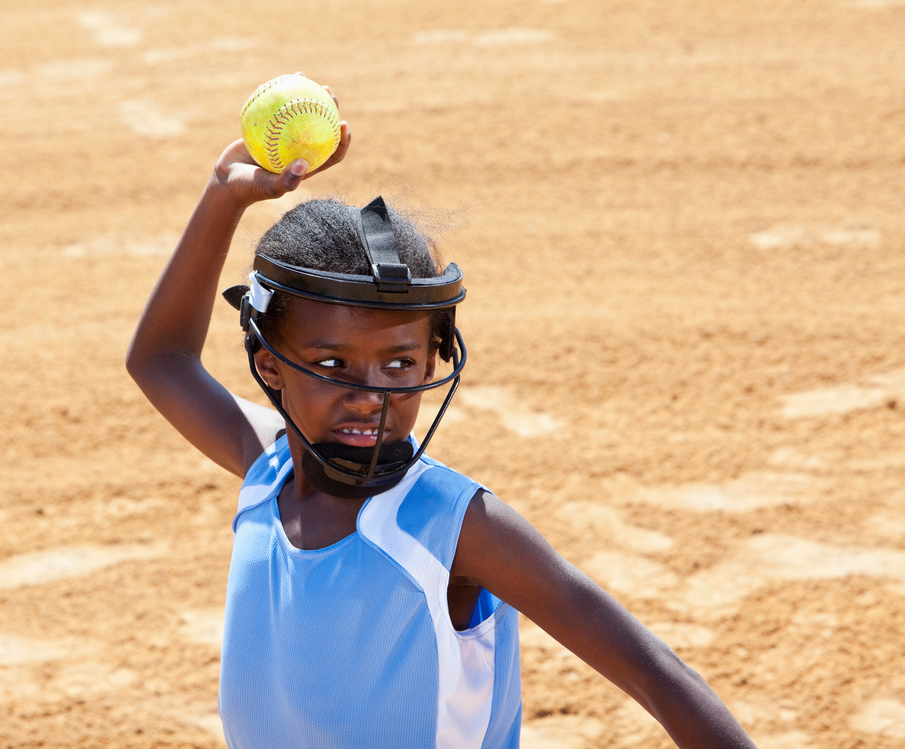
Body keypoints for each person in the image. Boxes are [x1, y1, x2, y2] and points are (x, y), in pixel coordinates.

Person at [126, 81, 757, 748]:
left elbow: (655, 672)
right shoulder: (268, 469)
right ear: (271, 364)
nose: (371, 394)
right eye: (333, 364)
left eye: (399, 364)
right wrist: (225, 195)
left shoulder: (454, 524)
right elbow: (160, 359)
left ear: (432, 360)